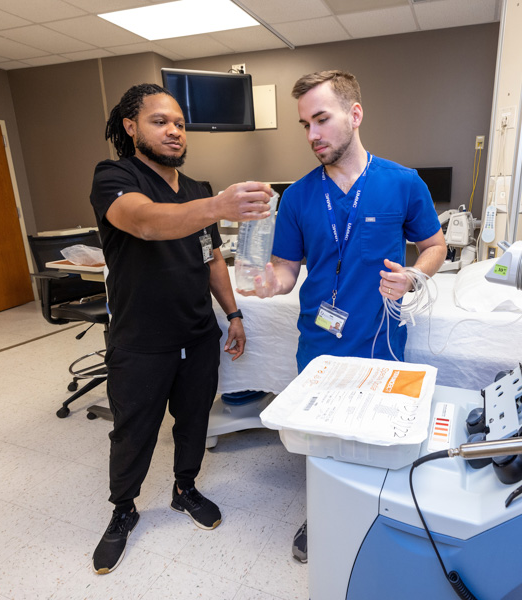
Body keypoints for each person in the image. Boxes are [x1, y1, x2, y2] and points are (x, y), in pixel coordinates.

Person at [238, 70, 447, 563]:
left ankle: (383, 519)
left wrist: (415, 276)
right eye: (304, 124)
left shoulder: (402, 183)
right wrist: (273, 282)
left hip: (383, 341)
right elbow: (288, 269)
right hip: (321, 344)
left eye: (321, 119)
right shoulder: (299, 196)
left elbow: (434, 245)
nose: (311, 135)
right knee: (325, 443)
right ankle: (326, 512)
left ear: (354, 115)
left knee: (379, 435)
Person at [88, 82, 272, 574]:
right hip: (141, 339)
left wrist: (231, 313)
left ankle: (184, 489)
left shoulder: (194, 189)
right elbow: (146, 223)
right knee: (135, 431)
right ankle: (122, 510)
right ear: (131, 128)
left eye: (179, 123)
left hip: (196, 332)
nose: (174, 131)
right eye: (160, 121)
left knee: (194, 421)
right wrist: (220, 205)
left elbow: (210, 255)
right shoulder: (114, 177)